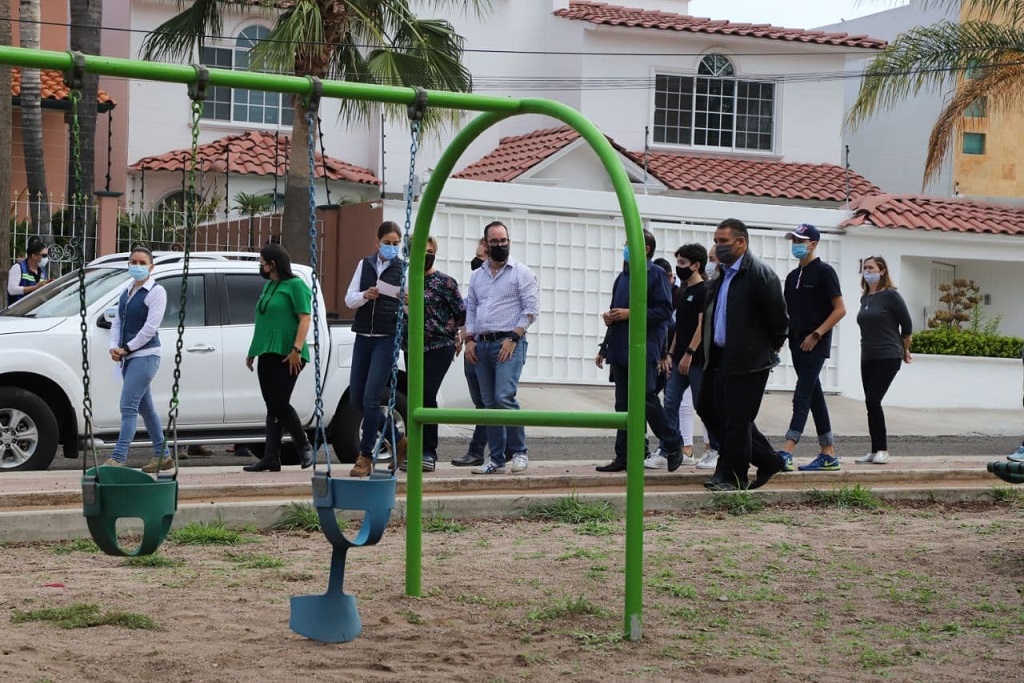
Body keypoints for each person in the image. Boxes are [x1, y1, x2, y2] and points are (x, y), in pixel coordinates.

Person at [697, 219, 789, 491]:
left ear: (741, 242)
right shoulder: (720, 274)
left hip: (749, 361)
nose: (718, 247)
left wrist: (767, 348)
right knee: (709, 409)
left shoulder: (760, 274)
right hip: (719, 356)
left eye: (723, 242)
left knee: (736, 419)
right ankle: (768, 459)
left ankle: (732, 476)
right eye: (716, 241)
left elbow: (779, 319)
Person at [595, 229, 682, 473]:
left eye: (630, 243)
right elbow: (616, 312)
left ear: (646, 249)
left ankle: (673, 443)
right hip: (620, 349)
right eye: (625, 243)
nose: (626, 247)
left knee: (645, 399)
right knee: (622, 405)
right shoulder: (622, 277)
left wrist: (630, 314)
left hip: (643, 349)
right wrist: (605, 342)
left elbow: (664, 312)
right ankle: (624, 456)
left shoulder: (655, 275)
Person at [464, 221, 539, 475]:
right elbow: (471, 308)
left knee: (503, 397)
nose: (499, 245)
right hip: (482, 344)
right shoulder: (477, 276)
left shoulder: (522, 273)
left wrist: (514, 337)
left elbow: (531, 310)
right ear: (486, 244)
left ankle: (520, 452)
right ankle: (496, 459)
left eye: (503, 240)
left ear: (509, 241)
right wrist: (469, 339)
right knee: (488, 404)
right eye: (494, 242)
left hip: (510, 342)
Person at [777, 224, 847, 473]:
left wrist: (817, 334)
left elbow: (840, 309)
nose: (795, 243)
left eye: (800, 240)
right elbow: (788, 313)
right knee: (815, 396)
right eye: (793, 239)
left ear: (813, 244)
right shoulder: (792, 277)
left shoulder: (825, 272)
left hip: (814, 344)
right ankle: (828, 454)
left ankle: (787, 450)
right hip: (796, 343)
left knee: (802, 395)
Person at [242, 243, 315, 473]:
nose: (260, 267)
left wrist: (296, 349)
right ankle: (271, 458)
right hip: (267, 352)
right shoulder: (269, 287)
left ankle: (303, 444)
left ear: (272, 264)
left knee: (279, 403)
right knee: (272, 405)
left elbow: (304, 318)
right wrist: (253, 350)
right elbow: (264, 322)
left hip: (289, 353)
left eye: (262, 263)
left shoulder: (296, 286)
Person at [345, 221, 409, 477]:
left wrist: (406, 300)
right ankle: (399, 440)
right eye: (387, 243)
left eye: (396, 244)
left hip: (386, 337)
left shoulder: (404, 269)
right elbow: (349, 299)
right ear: (377, 241)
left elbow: (411, 308)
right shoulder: (365, 264)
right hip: (363, 336)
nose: (392, 248)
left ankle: (366, 457)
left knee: (372, 396)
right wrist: (365, 295)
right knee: (357, 398)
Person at [647, 243, 716, 470]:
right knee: (670, 403)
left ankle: (715, 449)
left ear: (696, 265)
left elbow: (701, 325)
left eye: (683, 263)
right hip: (679, 359)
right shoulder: (683, 291)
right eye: (677, 262)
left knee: (703, 405)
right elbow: (680, 328)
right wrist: (671, 353)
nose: (679, 267)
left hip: (696, 359)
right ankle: (670, 448)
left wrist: (689, 353)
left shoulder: (705, 290)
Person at [105, 246, 170, 472]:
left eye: (143, 263)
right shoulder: (128, 290)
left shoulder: (156, 292)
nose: (138, 266)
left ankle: (119, 456)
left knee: (128, 406)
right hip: (129, 357)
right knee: (147, 409)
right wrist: (115, 346)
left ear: (151, 267)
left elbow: (150, 328)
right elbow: (118, 322)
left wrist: (127, 348)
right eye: (134, 262)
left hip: (145, 355)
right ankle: (164, 455)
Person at [408, 236, 465, 472]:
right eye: (421, 250)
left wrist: (457, 334)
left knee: (427, 393)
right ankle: (413, 449)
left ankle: (428, 451)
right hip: (411, 345)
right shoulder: (406, 280)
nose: (426, 254)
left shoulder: (445, 282)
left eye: (430, 251)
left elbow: (461, 312)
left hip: (439, 344)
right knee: (414, 396)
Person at [854, 256, 913, 465]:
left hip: (888, 355)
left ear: (882, 271)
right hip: (868, 355)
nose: (866, 271)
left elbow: (907, 327)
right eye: (864, 268)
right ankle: (873, 450)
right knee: (870, 404)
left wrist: (905, 350)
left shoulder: (891, 296)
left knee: (873, 400)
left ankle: (882, 450)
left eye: (870, 267)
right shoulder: (865, 298)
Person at [7, 236, 50, 305]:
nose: (46, 258)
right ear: (34, 256)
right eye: (44, 255)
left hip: (36, 310)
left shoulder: (42, 272)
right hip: (18, 311)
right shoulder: (18, 267)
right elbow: (11, 290)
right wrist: (35, 287)